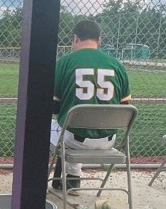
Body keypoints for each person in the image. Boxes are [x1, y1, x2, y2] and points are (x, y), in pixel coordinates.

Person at [51, 18, 131, 195]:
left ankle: (69, 177)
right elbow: (125, 106)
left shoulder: (65, 62)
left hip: (73, 140)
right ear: (99, 40)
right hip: (109, 140)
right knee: (72, 125)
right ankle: (69, 178)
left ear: (75, 38)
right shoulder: (117, 65)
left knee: (56, 125)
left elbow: (54, 107)